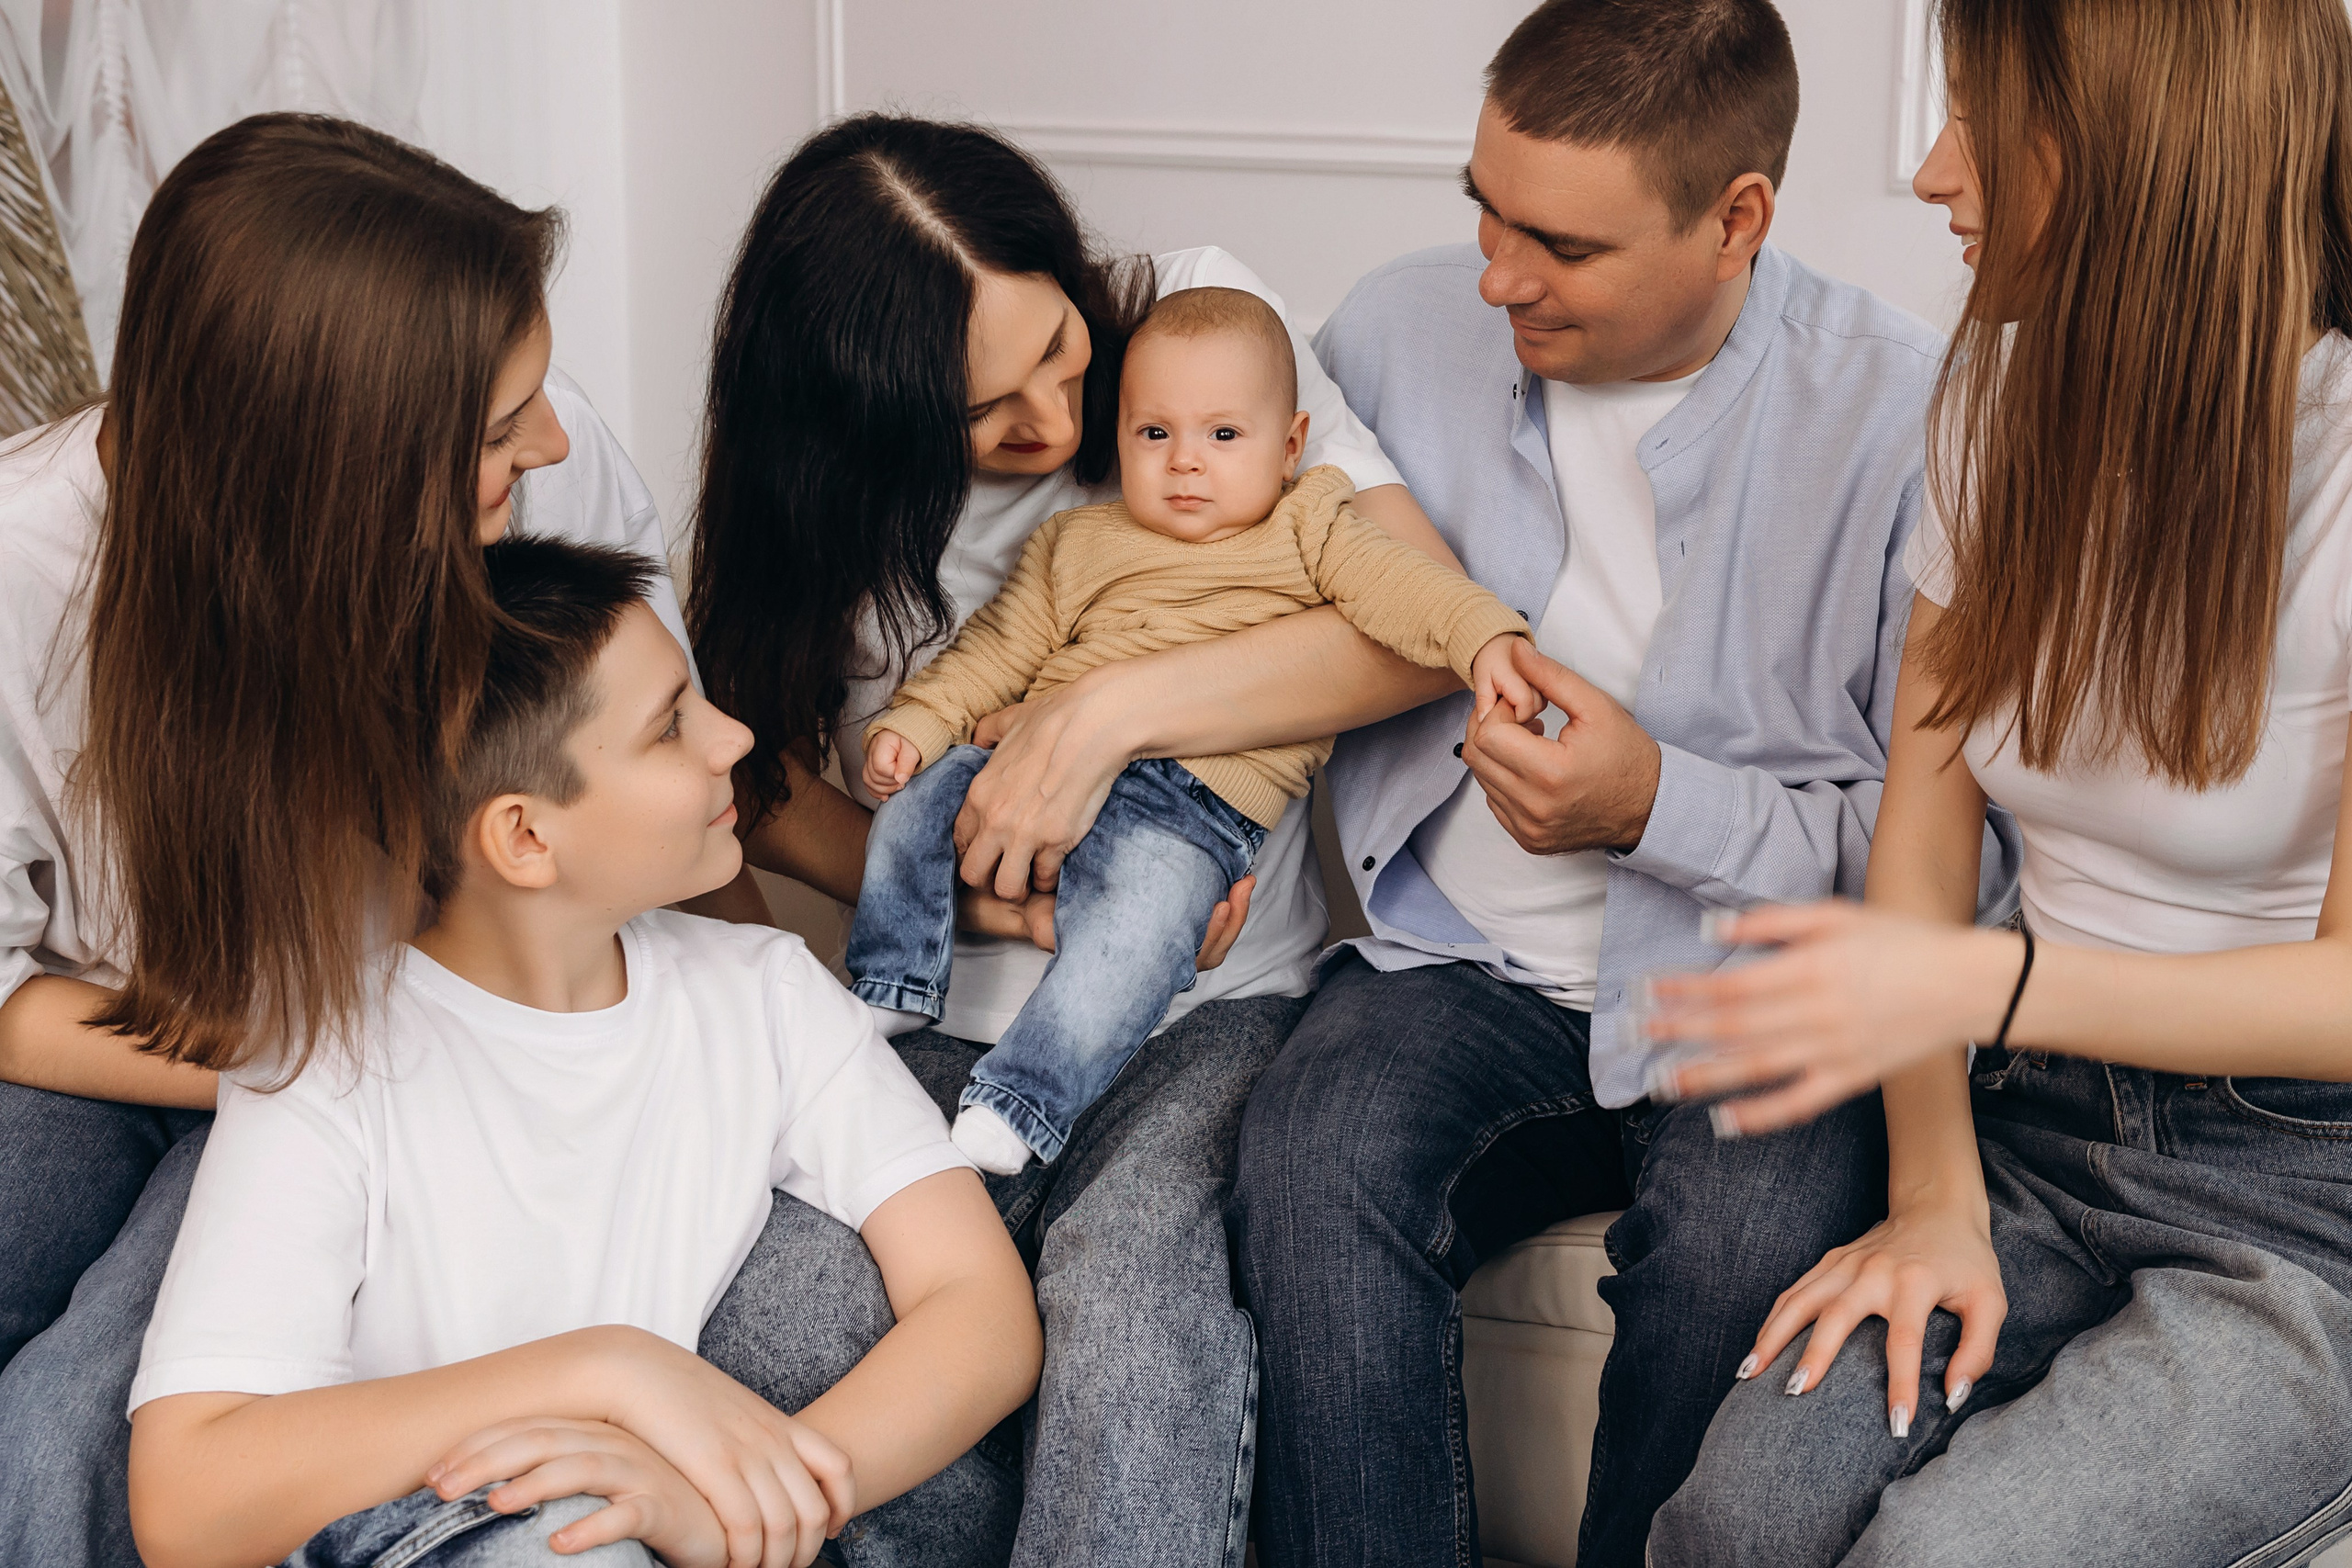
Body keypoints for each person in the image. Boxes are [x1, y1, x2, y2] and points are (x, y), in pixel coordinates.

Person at [0, 114, 1000, 1568]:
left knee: (827, 1304)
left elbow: (664, 762)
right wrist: (315, 1062)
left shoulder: (550, 459)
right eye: (492, 429)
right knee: (74, 1421)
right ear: (323, 465)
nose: (553, 439)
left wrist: (872, 953)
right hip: (152, 1042)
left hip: (402, 1031)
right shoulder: (24, 574)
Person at [1226, 3, 2018, 1564]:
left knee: (1748, 1244)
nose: (1499, 276)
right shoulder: (1389, 332)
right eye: (1485, 211)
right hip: (1452, 959)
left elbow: (1955, 880)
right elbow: (1193, 376)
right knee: (1308, 1159)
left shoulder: (1909, 418)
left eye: (1564, 248)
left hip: (1762, 988)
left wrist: (1659, 805)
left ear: (1738, 222)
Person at [687, 115, 1471, 1564]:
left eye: (1057, 345)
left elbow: (1418, 628)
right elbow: (757, 789)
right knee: (775, 1312)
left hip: (1209, 1001)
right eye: (989, 413)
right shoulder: (817, 509)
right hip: (939, 1017)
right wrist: (987, 899)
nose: (1059, 419)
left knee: (1127, 1294)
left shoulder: (1192, 336)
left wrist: (1102, 713)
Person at [1644, 0, 2352, 1561]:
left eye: (1976, 113)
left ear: (2135, 144)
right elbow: (1922, 825)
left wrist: (1971, 973)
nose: (1927, 171)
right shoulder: (1997, 401)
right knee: (1730, 1525)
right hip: (2028, 1129)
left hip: (2307, 1195)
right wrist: (1934, 1191)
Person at [125, 537, 1038, 1568]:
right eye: (669, 728)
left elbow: (982, 1312)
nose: (733, 735)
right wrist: (606, 1371)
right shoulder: (327, 1063)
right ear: (523, 839)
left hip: (639, 1528)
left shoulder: (767, 996)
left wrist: (747, 1503)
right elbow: (184, 1497)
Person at [853, 287, 1532, 1175]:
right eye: (1154, 434)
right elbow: (997, 651)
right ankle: (893, 980)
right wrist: (918, 720)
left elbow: (1409, 592)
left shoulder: (1311, 527)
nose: (1184, 464)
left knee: (1136, 935)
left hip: (1192, 807)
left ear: (1289, 446)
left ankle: (1022, 1097)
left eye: (1223, 435)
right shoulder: (1077, 543)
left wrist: (1485, 635)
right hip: (1029, 765)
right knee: (914, 806)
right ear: (1120, 435)